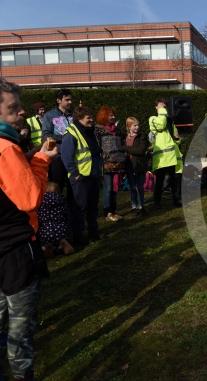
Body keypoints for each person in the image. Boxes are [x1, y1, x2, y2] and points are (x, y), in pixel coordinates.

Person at [0, 77, 55, 381]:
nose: (20, 113)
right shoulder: (6, 149)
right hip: (15, 252)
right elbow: (30, 198)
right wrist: (43, 160)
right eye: (12, 109)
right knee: (19, 331)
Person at [61, 106, 103, 244]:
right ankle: (78, 238)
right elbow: (66, 157)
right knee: (78, 209)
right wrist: (75, 174)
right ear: (79, 119)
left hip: (93, 176)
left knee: (92, 208)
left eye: (91, 116)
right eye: (88, 118)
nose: (91, 120)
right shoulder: (71, 134)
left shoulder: (91, 131)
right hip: (80, 178)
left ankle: (93, 234)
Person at [149, 99, 183, 208]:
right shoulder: (153, 118)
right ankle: (157, 202)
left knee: (174, 180)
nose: (163, 106)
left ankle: (176, 200)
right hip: (161, 157)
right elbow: (160, 126)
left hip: (171, 156)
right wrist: (162, 111)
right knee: (159, 181)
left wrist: (177, 139)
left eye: (164, 105)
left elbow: (175, 137)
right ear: (156, 107)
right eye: (160, 104)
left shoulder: (169, 120)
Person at [96, 105, 126, 222]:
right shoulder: (98, 130)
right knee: (108, 188)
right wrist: (104, 160)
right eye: (110, 115)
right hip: (106, 164)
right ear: (104, 116)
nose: (113, 117)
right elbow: (98, 147)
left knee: (115, 188)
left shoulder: (117, 130)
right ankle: (107, 212)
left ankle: (113, 211)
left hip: (118, 164)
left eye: (113, 115)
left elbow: (121, 145)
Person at [42, 89, 73, 188]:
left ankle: (72, 204)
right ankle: (57, 203)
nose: (70, 102)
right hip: (58, 156)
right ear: (58, 101)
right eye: (67, 100)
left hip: (73, 156)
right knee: (57, 185)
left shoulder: (73, 115)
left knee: (72, 186)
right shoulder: (50, 115)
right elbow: (46, 135)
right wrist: (65, 138)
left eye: (70, 100)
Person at [37, 182, 74, 256]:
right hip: (61, 229)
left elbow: (39, 215)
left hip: (46, 231)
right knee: (62, 239)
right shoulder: (61, 199)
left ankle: (48, 248)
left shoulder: (41, 201)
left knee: (46, 243)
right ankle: (64, 244)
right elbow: (66, 213)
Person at [124, 117, 149, 215]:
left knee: (139, 187)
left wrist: (125, 148)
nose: (137, 127)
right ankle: (134, 205)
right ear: (129, 126)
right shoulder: (125, 137)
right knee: (132, 187)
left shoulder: (142, 136)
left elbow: (140, 150)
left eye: (138, 125)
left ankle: (141, 206)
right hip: (129, 165)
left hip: (139, 165)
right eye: (135, 125)